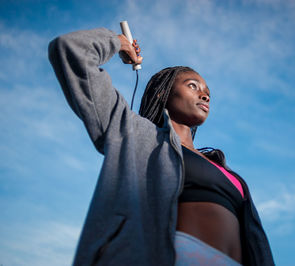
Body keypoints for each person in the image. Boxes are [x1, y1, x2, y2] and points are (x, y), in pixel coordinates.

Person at [48, 27, 274, 266]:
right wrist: (119, 43)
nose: (205, 95)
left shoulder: (222, 165)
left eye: (207, 92)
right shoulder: (133, 132)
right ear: (162, 94)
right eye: (193, 86)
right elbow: (70, 50)